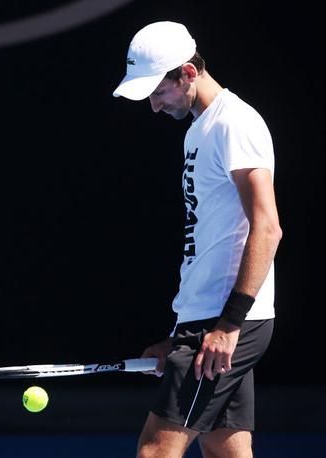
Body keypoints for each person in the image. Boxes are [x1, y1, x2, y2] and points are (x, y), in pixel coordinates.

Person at [113, 21, 282, 458]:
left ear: (188, 73)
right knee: (227, 451)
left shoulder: (235, 124)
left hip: (228, 321)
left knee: (155, 451)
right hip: (208, 319)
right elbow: (207, 241)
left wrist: (228, 325)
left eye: (158, 92)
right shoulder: (198, 130)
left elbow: (267, 226)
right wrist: (180, 335)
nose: (153, 106)